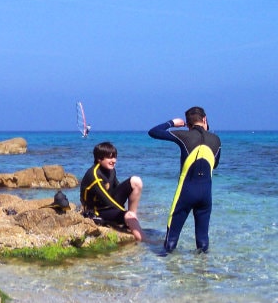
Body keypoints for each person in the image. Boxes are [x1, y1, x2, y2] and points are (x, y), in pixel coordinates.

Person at [148, 106, 221, 253]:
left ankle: (168, 269)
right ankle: (202, 271)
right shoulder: (216, 140)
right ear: (205, 119)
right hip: (206, 195)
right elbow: (215, 165)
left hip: (186, 193)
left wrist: (172, 123)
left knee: (171, 241)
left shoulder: (184, 135)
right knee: (202, 240)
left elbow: (153, 132)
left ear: (188, 124)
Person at [80, 142, 145, 241]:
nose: (114, 161)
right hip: (97, 211)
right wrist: (125, 214)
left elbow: (117, 188)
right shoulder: (94, 175)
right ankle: (145, 241)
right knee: (129, 216)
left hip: (108, 204)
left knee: (136, 181)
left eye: (115, 157)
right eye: (110, 158)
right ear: (99, 159)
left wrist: (129, 215)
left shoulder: (111, 170)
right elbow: (107, 200)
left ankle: (130, 221)